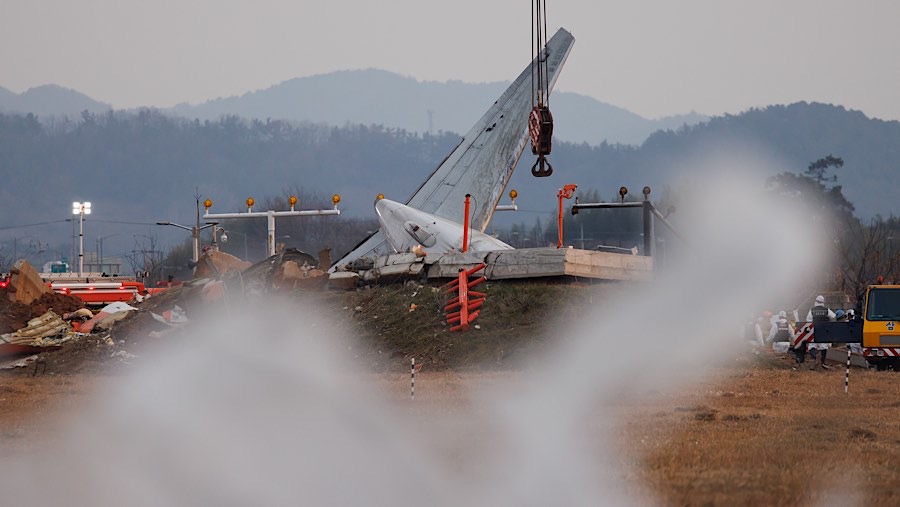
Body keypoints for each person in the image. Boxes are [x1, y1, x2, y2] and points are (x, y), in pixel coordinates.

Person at [806, 294, 836, 370]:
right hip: (823, 331)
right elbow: (833, 316)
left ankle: (813, 359)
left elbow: (808, 320)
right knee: (824, 347)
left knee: (812, 346)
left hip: (814, 331)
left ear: (816, 301)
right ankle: (823, 362)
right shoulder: (826, 310)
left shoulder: (812, 310)